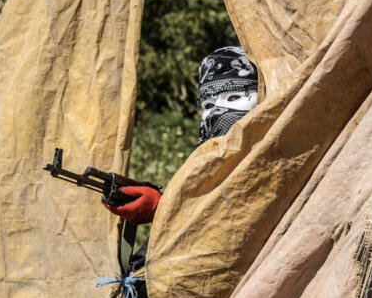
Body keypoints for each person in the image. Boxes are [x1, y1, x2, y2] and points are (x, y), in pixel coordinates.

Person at [103, 46, 259, 224]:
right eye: (208, 105)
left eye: (234, 97)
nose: (217, 113)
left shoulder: (284, 153)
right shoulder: (207, 163)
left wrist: (166, 211)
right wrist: (163, 207)